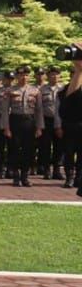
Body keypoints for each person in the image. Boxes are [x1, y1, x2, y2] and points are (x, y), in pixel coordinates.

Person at [4, 66, 42, 188]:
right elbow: (5, 110)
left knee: (28, 150)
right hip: (15, 120)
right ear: (16, 76)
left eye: (26, 75)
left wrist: (39, 127)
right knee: (14, 149)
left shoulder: (35, 91)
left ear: (29, 76)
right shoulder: (10, 90)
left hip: (29, 121)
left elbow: (39, 110)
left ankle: (25, 176)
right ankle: (16, 175)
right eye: (21, 75)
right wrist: (6, 127)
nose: (24, 77)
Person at [38, 67, 64, 180]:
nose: (54, 76)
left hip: (60, 121)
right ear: (47, 76)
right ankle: (47, 170)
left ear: (60, 76)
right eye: (52, 74)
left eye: (56, 74)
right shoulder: (42, 89)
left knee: (59, 146)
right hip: (46, 120)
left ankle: (57, 170)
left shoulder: (64, 89)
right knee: (45, 146)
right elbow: (38, 107)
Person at [61, 57, 82, 190]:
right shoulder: (67, 89)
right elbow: (65, 106)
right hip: (70, 126)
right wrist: (79, 69)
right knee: (68, 153)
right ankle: (69, 177)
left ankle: (78, 178)